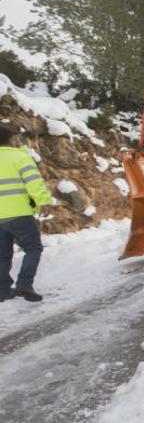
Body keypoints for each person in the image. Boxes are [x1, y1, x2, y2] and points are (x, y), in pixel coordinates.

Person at [0, 125, 52, 302]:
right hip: (19, 213)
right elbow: (33, 182)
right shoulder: (19, 156)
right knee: (33, 248)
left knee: (2, 254)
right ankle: (24, 284)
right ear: (11, 139)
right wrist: (43, 201)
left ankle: (3, 290)